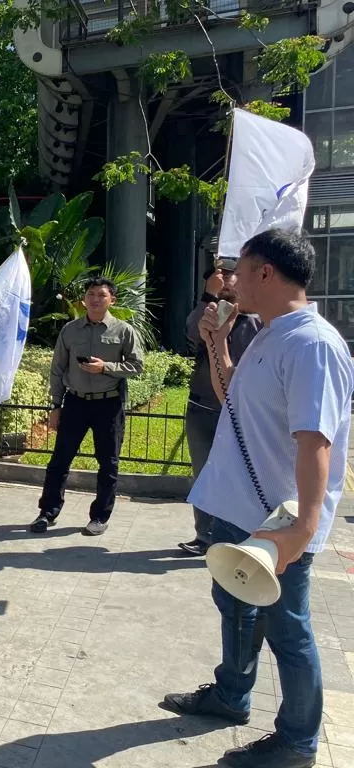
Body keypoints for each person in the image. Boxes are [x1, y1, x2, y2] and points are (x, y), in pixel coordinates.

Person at [163, 229, 354, 768]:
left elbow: (315, 442)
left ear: (265, 273)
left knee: (287, 629)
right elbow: (232, 402)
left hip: (279, 522)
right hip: (240, 510)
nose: (228, 283)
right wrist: (216, 344)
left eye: (238, 272)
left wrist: (302, 529)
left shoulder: (312, 344)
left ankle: (297, 742)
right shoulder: (271, 333)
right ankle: (231, 695)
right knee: (235, 606)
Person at [32, 277, 144, 536]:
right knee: (60, 460)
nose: (95, 299)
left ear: (111, 300)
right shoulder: (70, 330)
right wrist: (55, 405)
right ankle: (47, 512)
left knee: (108, 463)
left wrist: (105, 367)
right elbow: (57, 369)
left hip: (108, 404)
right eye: (91, 294)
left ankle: (99, 517)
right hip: (75, 402)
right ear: (85, 298)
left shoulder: (123, 331)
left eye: (101, 295)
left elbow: (137, 366)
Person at [179, 259, 262, 556]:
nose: (224, 279)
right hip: (202, 407)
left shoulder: (254, 320)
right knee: (203, 473)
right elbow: (191, 332)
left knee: (238, 475)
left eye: (230, 274)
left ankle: (234, 536)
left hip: (239, 411)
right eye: (219, 276)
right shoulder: (210, 311)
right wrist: (208, 296)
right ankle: (204, 535)